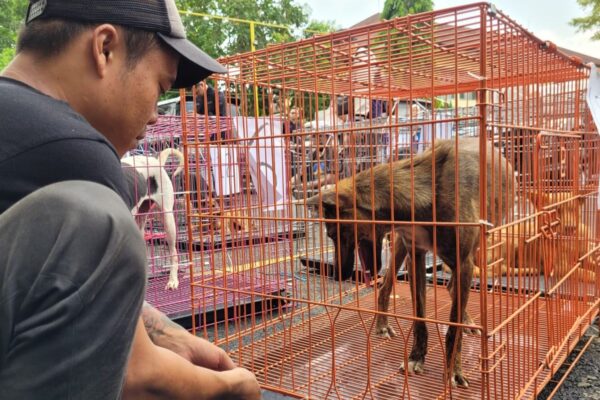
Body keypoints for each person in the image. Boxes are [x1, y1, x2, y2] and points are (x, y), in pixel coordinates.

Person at [0, 1, 260, 399]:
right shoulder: (73, 149)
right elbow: (140, 378)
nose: (156, 115)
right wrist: (232, 387)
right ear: (104, 48)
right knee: (99, 222)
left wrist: (164, 332)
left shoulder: (17, 120)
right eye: (160, 86)